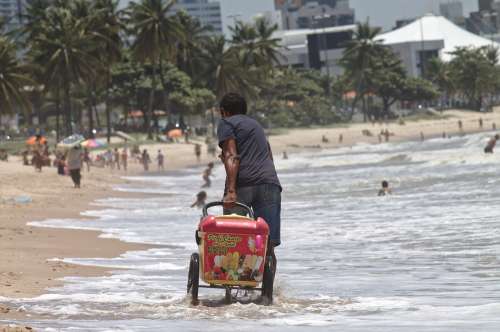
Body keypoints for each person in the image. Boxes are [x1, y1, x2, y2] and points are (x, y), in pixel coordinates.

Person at [217, 92, 282, 287]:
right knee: (267, 245)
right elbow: (268, 156)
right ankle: (266, 293)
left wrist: (230, 190)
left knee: (233, 240)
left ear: (223, 111)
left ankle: (235, 286)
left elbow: (231, 155)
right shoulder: (256, 126)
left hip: (243, 184)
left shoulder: (226, 123)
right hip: (270, 184)